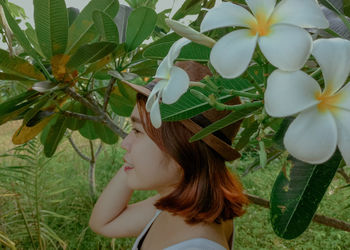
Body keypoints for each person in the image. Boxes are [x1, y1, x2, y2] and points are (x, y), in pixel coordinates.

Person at [89, 61, 249, 250]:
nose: (125, 143)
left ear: (181, 150)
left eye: (138, 131)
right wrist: (132, 158)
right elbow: (103, 223)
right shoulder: (179, 207)